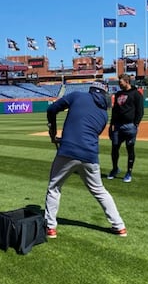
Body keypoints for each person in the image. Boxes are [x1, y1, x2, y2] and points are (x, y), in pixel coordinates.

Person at [44, 81, 127, 238]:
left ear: (91, 90)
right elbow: (86, 134)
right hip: (90, 155)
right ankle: (119, 226)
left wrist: (53, 131)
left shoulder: (77, 96)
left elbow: (52, 109)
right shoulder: (103, 114)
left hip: (68, 152)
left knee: (54, 187)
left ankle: (50, 227)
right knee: (100, 191)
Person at [107, 74, 144, 183]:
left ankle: (129, 172)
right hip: (118, 126)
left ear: (127, 81)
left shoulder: (136, 94)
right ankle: (115, 169)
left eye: (121, 82)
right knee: (114, 148)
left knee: (130, 148)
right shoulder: (118, 94)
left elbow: (140, 111)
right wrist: (111, 125)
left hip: (130, 126)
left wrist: (135, 124)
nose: (119, 84)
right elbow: (115, 111)